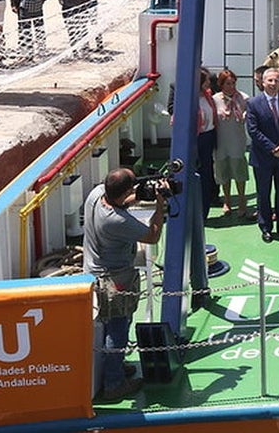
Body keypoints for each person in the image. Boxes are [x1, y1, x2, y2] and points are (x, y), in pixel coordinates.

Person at [83, 167, 166, 401]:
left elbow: (122, 200)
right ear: (126, 191)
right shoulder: (116, 221)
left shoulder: (96, 195)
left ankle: (115, 365)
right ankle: (114, 383)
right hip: (114, 279)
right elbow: (152, 235)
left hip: (95, 270)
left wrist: (140, 194)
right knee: (118, 328)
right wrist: (160, 205)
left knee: (110, 327)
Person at [246, 67, 279, 242]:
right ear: (262, 82)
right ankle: (266, 227)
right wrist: (272, 148)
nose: (273, 83)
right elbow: (253, 131)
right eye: (270, 80)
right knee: (264, 193)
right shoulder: (253, 103)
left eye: (276, 80)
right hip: (263, 157)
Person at [213, 68, 250, 218]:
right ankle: (227, 200)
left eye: (233, 83)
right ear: (221, 84)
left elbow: (251, 113)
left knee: (239, 170)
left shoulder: (244, 98)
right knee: (223, 171)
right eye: (228, 83)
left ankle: (241, 200)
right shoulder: (215, 99)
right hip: (221, 141)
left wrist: (244, 115)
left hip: (237, 140)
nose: (231, 87)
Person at [195, 68, 219, 221]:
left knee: (207, 175)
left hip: (209, 138)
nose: (210, 83)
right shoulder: (190, 99)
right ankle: (196, 213)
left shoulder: (208, 96)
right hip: (196, 139)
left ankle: (204, 212)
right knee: (198, 175)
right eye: (207, 80)